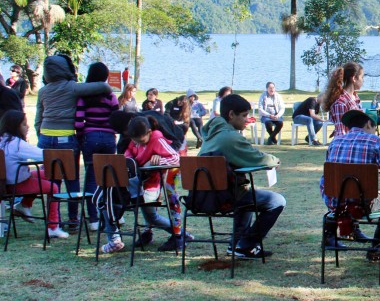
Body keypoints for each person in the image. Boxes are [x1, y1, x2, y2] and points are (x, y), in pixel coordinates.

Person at [199, 94, 286, 259]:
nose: (247, 119)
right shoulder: (230, 138)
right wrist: (274, 160)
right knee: (276, 201)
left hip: (202, 196)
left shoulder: (210, 135)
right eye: (244, 115)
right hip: (223, 198)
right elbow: (256, 157)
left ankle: (237, 244)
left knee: (245, 191)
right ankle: (247, 243)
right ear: (231, 115)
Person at [321, 109, 380, 260]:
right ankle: (377, 246)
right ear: (369, 124)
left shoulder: (335, 141)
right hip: (361, 206)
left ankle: (339, 232)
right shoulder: (375, 141)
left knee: (349, 192)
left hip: (335, 203)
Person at [34, 54, 112, 228]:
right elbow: (104, 87)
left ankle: (54, 220)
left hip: (45, 137)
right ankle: (73, 218)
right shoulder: (72, 88)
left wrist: (40, 137)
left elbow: (38, 119)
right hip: (67, 137)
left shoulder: (43, 91)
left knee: (52, 181)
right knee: (72, 178)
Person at [0, 111, 68, 239]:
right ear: (15, 126)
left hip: (2, 182)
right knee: (53, 187)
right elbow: (43, 155)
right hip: (16, 183)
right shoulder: (16, 143)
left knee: (45, 175)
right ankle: (53, 226)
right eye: (24, 125)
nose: (27, 127)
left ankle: (25, 205)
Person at [119, 116, 186, 253]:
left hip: (170, 171)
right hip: (151, 176)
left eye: (141, 140)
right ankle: (147, 232)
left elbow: (175, 158)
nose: (138, 143)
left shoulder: (157, 138)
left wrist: (159, 161)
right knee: (147, 202)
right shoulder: (136, 140)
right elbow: (128, 155)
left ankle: (178, 235)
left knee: (171, 200)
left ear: (149, 132)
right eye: (135, 141)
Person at [74, 62, 118, 232]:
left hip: (90, 137)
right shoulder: (110, 96)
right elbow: (116, 117)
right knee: (108, 178)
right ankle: (110, 215)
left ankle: (93, 218)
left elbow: (79, 121)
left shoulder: (83, 96)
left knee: (91, 179)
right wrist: (111, 131)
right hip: (108, 138)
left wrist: (81, 136)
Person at [321, 61, 364, 138]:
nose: (363, 80)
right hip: (346, 146)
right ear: (354, 78)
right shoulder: (341, 103)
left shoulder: (355, 98)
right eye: (362, 77)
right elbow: (341, 134)